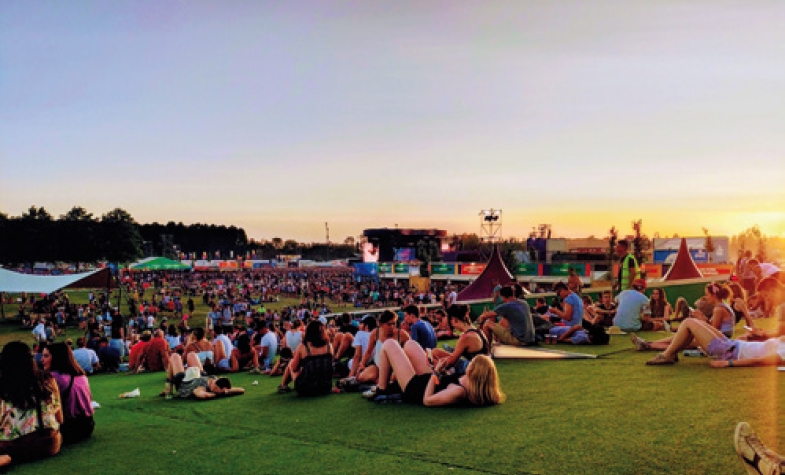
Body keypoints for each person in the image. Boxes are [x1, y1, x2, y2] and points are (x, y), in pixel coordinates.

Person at [369, 339, 505, 407]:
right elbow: (444, 384)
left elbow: (427, 400)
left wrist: (436, 373)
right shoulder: (471, 384)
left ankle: (382, 389)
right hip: (429, 380)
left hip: (416, 389)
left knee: (389, 344)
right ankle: (391, 383)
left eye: (472, 363)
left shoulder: (460, 391)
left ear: (474, 371)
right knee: (410, 344)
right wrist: (443, 371)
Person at [0, 341, 63, 467]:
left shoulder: (3, 386)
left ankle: (8, 458)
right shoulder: (48, 379)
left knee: (13, 447)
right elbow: (60, 419)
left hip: (14, 444)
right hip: (50, 442)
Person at [636, 317, 784, 366]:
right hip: (732, 345)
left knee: (689, 322)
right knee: (695, 323)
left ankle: (667, 354)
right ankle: (666, 351)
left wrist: (728, 363)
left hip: (728, 352)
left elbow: (767, 360)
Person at [42, 343, 94, 444]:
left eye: (46, 356)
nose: (42, 359)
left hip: (68, 428)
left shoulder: (53, 378)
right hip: (88, 425)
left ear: (56, 357)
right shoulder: (82, 376)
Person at [277, 319, 333, 396]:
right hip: (326, 387)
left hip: (306, 389)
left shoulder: (303, 347)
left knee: (291, 363)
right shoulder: (329, 346)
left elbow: (294, 368)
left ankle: (283, 385)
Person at [430, 304, 490, 376]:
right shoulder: (478, 331)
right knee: (435, 352)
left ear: (454, 319)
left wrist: (438, 365)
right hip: (483, 368)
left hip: (475, 371)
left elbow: (452, 362)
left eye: (451, 322)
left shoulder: (466, 337)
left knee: (434, 358)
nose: (452, 326)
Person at [162, 352, 245, 399]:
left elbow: (201, 395)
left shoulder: (202, 388)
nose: (212, 384)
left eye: (214, 387)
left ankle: (168, 388)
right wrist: (226, 391)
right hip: (198, 375)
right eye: (214, 382)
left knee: (175, 356)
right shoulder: (215, 381)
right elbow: (241, 389)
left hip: (184, 382)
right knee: (191, 354)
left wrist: (217, 394)